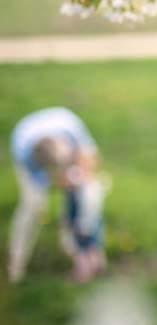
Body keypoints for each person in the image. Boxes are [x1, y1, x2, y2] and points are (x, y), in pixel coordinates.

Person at [8, 107, 107, 283]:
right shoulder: (25, 153)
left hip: (62, 134)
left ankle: (85, 251)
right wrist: (59, 181)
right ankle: (16, 263)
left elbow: (92, 159)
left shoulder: (72, 128)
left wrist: (81, 176)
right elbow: (44, 182)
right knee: (34, 205)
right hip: (26, 143)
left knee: (87, 195)